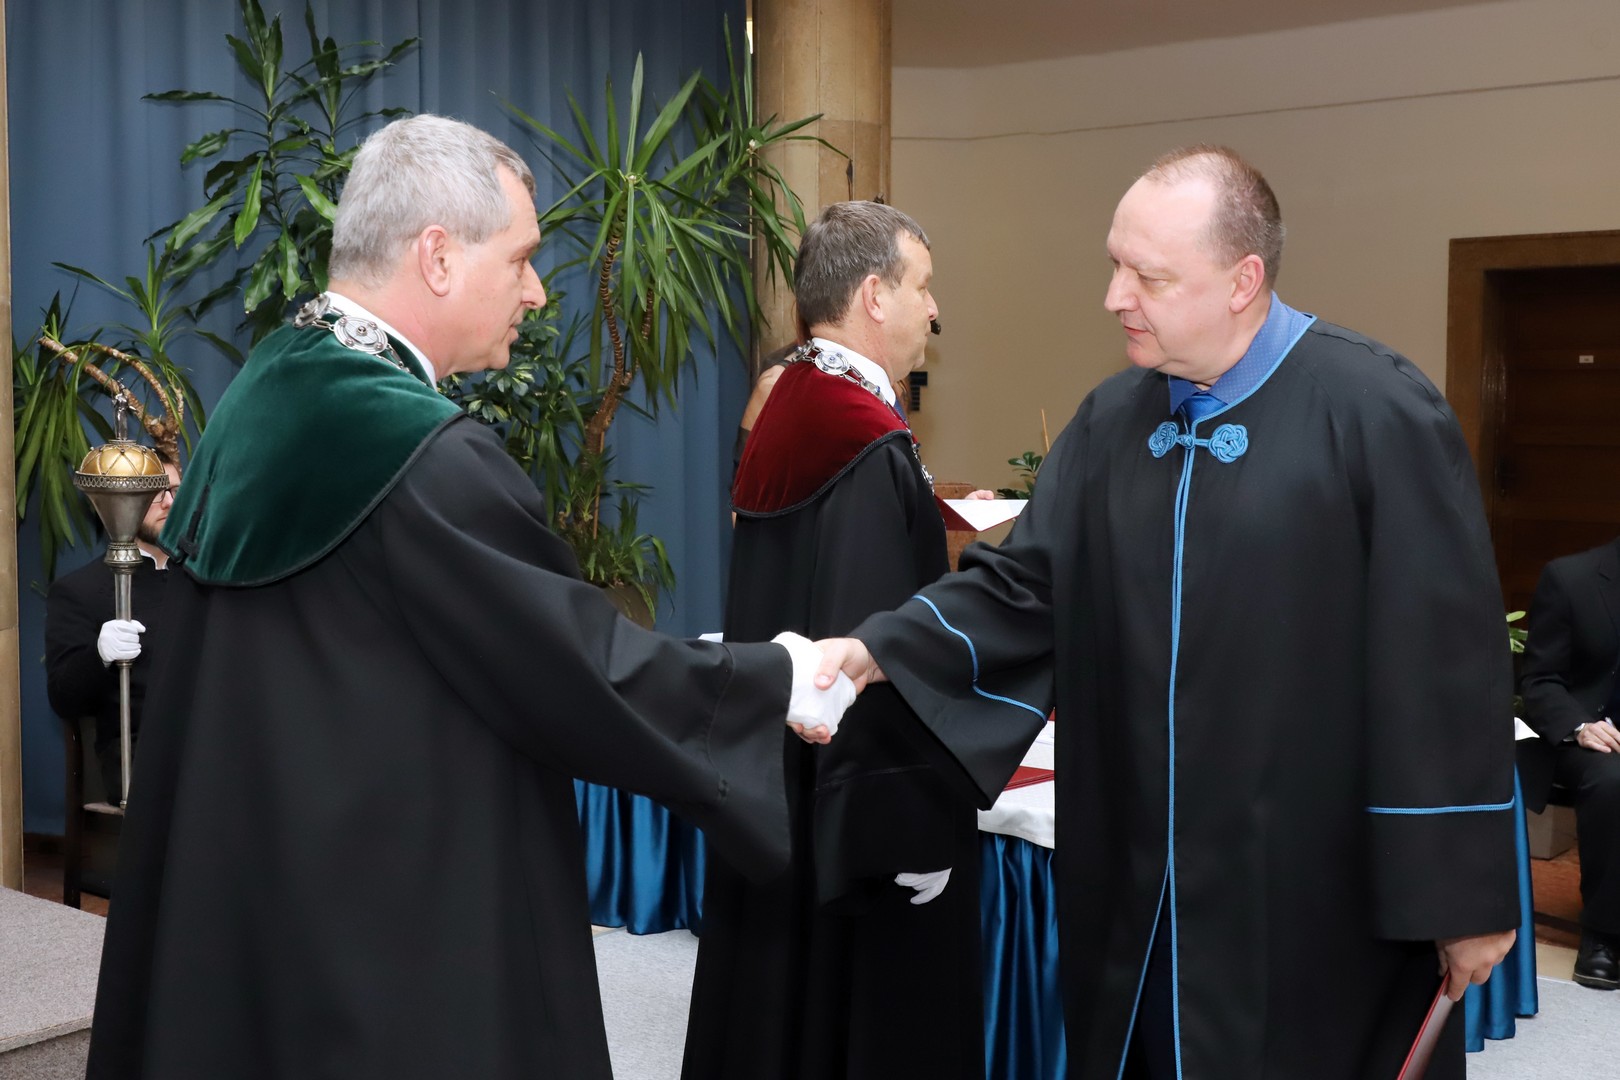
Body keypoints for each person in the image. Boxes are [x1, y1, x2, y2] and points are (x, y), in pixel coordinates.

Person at [84, 114, 855, 1080]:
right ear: (438, 256)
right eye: (522, 258)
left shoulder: (267, 387)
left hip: (267, 886)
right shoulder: (416, 452)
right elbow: (577, 665)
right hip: (389, 918)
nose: (537, 291)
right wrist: (778, 677)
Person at [815, 146, 1519, 1079]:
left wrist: (1467, 893)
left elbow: (1446, 667)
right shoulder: (1110, 423)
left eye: (1148, 276)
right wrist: (880, 647)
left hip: (1311, 896)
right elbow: (1024, 588)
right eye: (1115, 265)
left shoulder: (1379, 413)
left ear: (1243, 280)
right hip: (1137, 887)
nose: (1115, 296)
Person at [684, 202, 1034, 1080]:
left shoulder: (791, 404)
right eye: (924, 287)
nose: (934, 311)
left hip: (781, 783)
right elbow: (876, 653)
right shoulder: (865, 440)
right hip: (857, 812)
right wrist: (908, 833)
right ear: (875, 296)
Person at [45, 460, 182, 803]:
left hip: (215, 737)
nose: (169, 502)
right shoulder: (81, 590)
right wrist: (100, 656)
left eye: (175, 490)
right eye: (155, 493)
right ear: (121, 502)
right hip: (140, 752)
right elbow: (64, 699)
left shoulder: (204, 575)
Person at [1518, 537, 1620, 990]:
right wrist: (1579, 726)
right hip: (1585, 739)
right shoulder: (1570, 577)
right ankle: (1603, 935)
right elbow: (1540, 681)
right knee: (1613, 780)